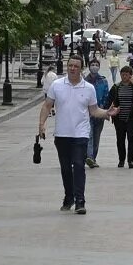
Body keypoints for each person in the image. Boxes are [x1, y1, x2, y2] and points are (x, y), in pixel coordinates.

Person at [39, 56, 119, 214]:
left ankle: (80, 201)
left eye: (76, 66)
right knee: (66, 169)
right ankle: (69, 197)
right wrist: (41, 124)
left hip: (81, 134)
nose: (72, 68)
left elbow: (94, 110)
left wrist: (107, 113)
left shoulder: (88, 88)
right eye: (70, 65)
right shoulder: (57, 85)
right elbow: (47, 105)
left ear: (81, 69)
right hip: (62, 134)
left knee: (79, 165)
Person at [108, 66, 133, 168]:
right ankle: (121, 159)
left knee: (131, 138)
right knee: (120, 139)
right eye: (122, 74)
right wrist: (106, 111)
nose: (124, 77)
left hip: (132, 117)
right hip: (119, 118)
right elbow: (109, 99)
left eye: (126, 75)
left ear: (130, 75)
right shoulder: (116, 87)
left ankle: (130, 160)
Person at [84, 58, 109, 168]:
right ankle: (89, 156)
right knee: (89, 136)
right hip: (87, 113)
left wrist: (104, 108)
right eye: (92, 64)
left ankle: (93, 158)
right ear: (89, 67)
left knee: (96, 137)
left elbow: (106, 95)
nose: (94, 66)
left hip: (99, 112)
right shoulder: (84, 81)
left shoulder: (103, 81)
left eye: (96, 64)